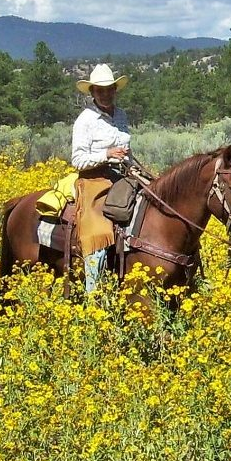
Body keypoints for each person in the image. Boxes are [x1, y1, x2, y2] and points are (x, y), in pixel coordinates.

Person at [72, 63, 131, 293]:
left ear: (115, 90)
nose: (105, 94)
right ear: (93, 92)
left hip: (123, 176)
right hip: (93, 181)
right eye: (100, 90)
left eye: (109, 89)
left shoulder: (121, 115)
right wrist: (105, 155)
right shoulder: (85, 120)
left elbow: (127, 149)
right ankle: (93, 292)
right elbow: (77, 160)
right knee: (97, 234)